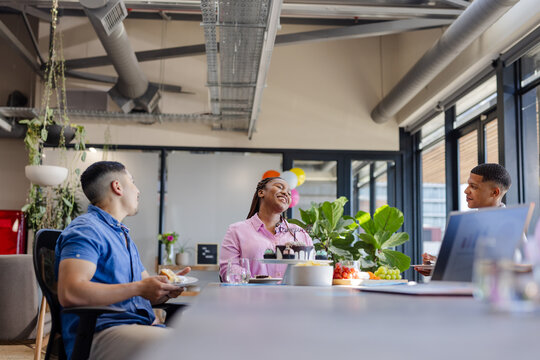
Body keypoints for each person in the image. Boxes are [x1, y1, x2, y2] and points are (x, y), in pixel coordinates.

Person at [55, 161, 190, 360]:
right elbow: (70, 292)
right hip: (100, 331)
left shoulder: (121, 235)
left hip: (133, 327)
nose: (137, 190)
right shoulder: (87, 229)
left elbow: (146, 292)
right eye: (132, 182)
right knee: (191, 347)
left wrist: (164, 290)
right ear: (117, 187)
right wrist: (139, 288)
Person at [415, 163, 512, 276]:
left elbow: (506, 272)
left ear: (494, 192)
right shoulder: (467, 223)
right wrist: (438, 266)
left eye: (474, 186)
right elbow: (467, 265)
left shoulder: (509, 227)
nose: (466, 191)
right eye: (468, 185)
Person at [219, 177, 313, 280]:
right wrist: (255, 280)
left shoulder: (300, 234)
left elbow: (312, 269)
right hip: (252, 295)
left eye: (289, 193)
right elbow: (228, 270)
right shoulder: (236, 231)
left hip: (291, 296)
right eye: (279, 187)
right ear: (261, 192)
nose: (286, 193)